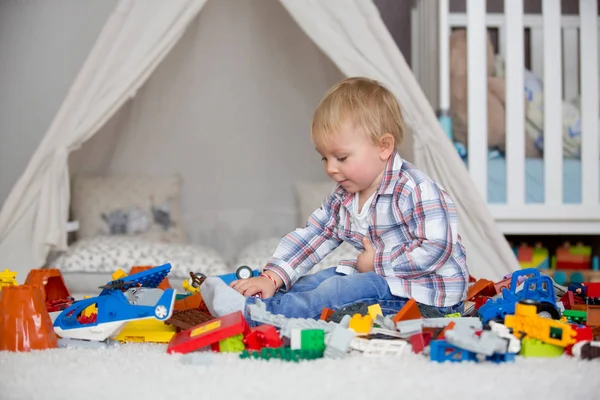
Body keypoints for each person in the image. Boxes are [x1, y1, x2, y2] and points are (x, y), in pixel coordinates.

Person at [200, 77, 469, 322]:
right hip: (380, 279)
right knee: (317, 281)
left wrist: (378, 262)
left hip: (427, 297)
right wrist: (272, 276)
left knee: (337, 290)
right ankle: (256, 299)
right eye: (324, 158)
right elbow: (314, 235)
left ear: (383, 147)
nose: (330, 168)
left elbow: (436, 248)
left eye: (341, 158)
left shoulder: (416, 189)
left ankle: (261, 316)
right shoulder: (344, 195)